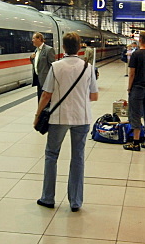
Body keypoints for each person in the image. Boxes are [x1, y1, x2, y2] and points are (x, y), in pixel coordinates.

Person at [34, 32, 98, 211]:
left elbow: (46, 94)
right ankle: (76, 201)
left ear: (63, 47)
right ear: (80, 48)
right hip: (82, 117)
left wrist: (38, 115)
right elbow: (94, 96)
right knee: (77, 157)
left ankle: (48, 198)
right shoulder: (88, 67)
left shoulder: (56, 66)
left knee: (51, 155)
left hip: (59, 117)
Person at [124, 30, 145, 152]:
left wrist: (129, 87)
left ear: (139, 40)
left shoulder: (136, 54)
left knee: (135, 114)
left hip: (137, 88)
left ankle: (136, 142)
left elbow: (132, 73)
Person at [29, 32, 55, 102]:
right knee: (40, 99)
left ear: (39, 39)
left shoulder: (49, 50)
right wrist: (31, 58)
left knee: (46, 100)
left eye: (33, 38)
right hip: (39, 80)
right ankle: (41, 112)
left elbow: (52, 66)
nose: (32, 40)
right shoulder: (36, 50)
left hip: (46, 80)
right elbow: (36, 64)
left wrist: (51, 81)